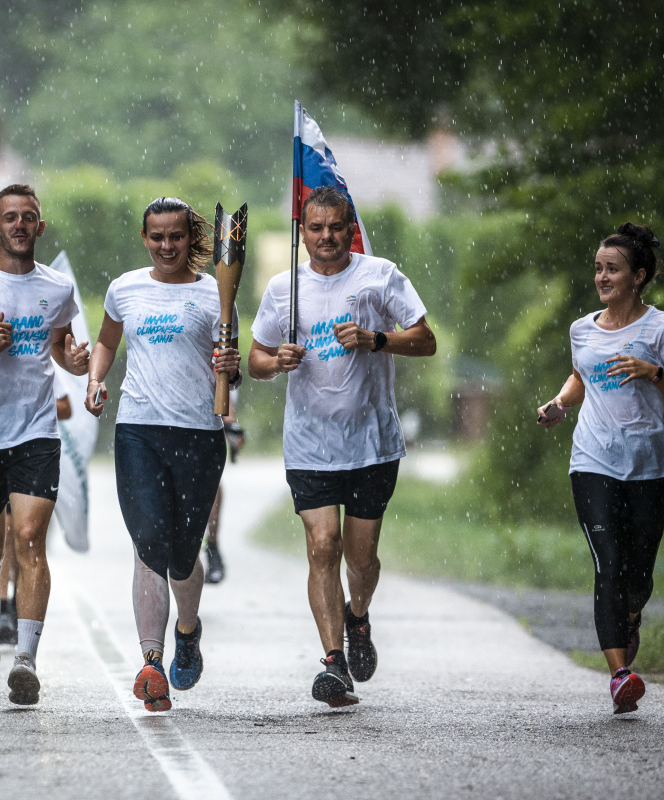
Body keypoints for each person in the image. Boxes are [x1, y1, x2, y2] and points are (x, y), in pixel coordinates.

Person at [248, 186, 436, 708]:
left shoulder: (380, 275)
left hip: (372, 443)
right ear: (302, 232)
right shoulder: (284, 288)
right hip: (309, 443)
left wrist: (377, 339)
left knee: (361, 559)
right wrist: (276, 362)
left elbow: (425, 339)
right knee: (321, 546)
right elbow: (255, 359)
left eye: (336, 227)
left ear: (350, 229)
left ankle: (358, 615)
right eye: (316, 227)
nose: (326, 236)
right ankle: (333, 664)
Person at [536, 222, 664, 715]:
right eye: (598, 269)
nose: (602, 277)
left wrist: (654, 373)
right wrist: (560, 403)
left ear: (638, 276)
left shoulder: (663, 328)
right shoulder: (582, 329)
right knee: (608, 564)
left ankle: (629, 615)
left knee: (639, 575)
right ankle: (619, 675)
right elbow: (581, 374)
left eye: (612, 269)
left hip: (651, 466)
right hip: (593, 461)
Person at [85, 196, 240, 712]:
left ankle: (187, 630)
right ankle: (151, 661)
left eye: (176, 236)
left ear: (190, 238)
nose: (167, 245)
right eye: (157, 237)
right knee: (148, 543)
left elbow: (231, 370)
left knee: (182, 556)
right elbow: (107, 342)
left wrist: (231, 367)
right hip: (138, 431)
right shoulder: (125, 288)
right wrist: (95, 379)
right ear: (144, 238)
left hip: (198, 435)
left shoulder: (217, 292)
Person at [0, 184, 89, 705]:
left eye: (29, 216)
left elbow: (60, 347)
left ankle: (26, 659)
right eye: (10, 217)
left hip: (36, 431)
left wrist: (75, 362)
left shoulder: (58, 287)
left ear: (40, 226)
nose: (20, 224)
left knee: (29, 540)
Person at [0, 377, 73, 646]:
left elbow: (66, 407)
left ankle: (17, 604)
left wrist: (30, 405)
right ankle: (2, 605)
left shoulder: (40, 363)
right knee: (5, 534)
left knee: (26, 537)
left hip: (33, 454)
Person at [203, 390, 245, 584]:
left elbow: (223, 382)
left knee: (210, 480)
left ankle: (212, 547)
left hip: (207, 414)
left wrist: (230, 423)